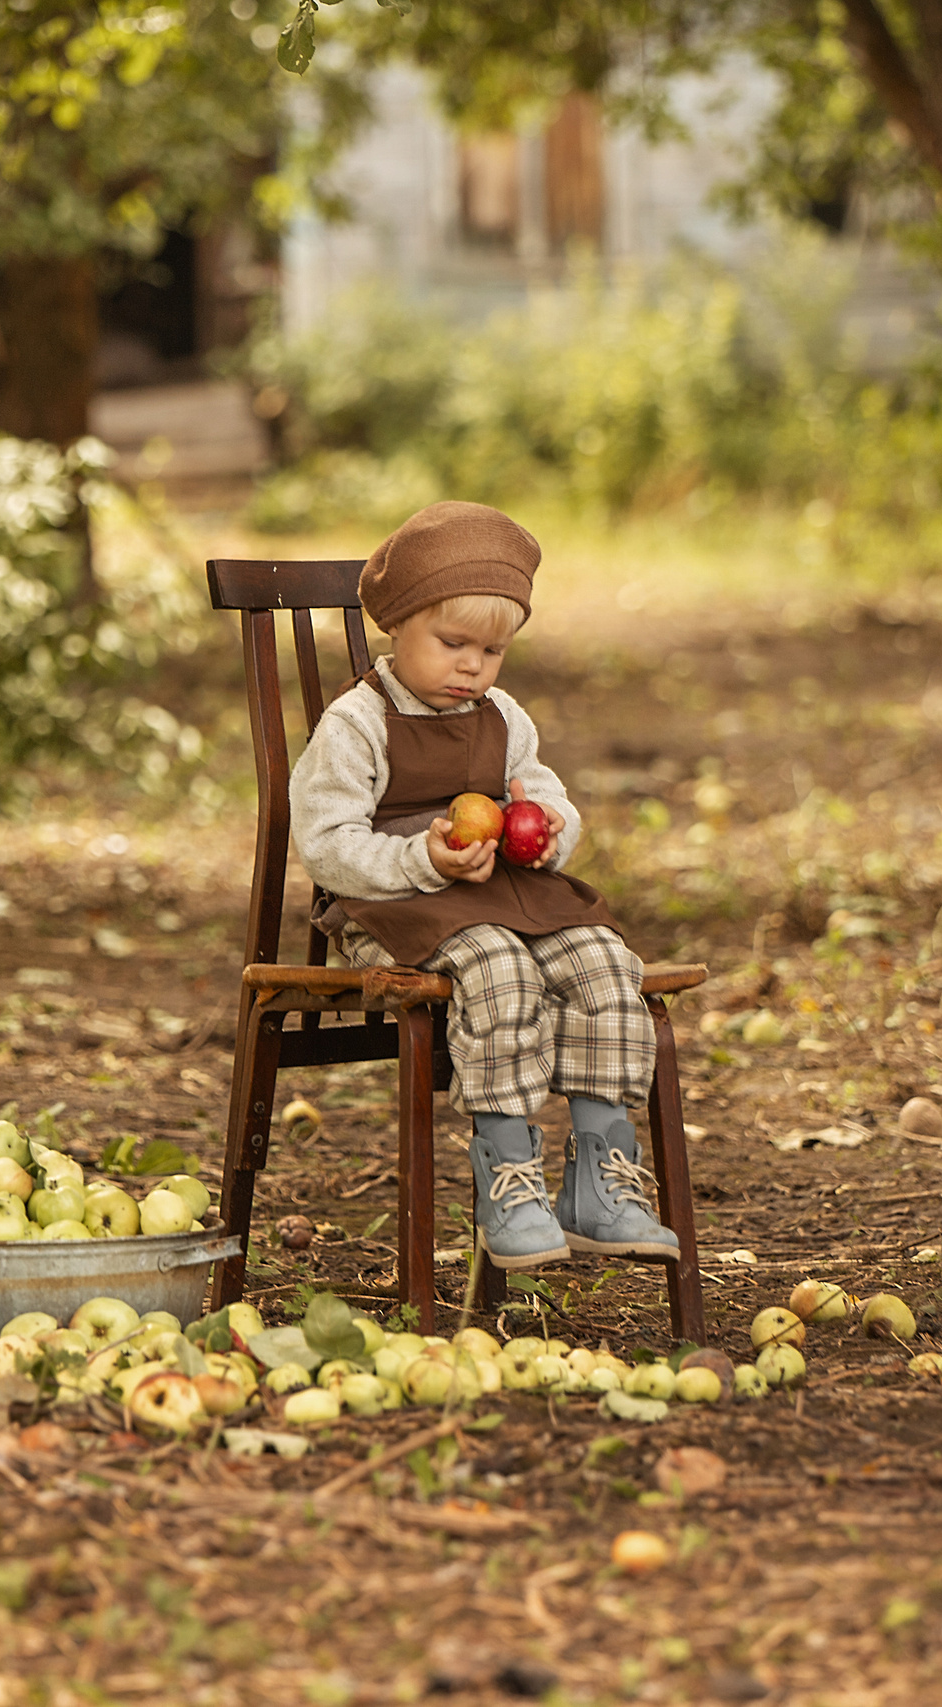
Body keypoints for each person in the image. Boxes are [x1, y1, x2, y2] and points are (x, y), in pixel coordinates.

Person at [288, 500, 677, 1270]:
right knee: (499, 965)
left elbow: (545, 794)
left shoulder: (503, 716)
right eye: (453, 643)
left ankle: (600, 1180)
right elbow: (326, 846)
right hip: (393, 904)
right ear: (396, 626)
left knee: (605, 959)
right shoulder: (357, 722)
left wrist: (552, 830)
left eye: (493, 650)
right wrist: (422, 861)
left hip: (499, 894)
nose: (473, 666)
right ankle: (509, 1176)